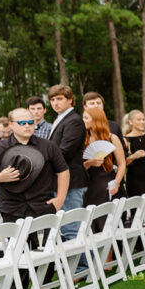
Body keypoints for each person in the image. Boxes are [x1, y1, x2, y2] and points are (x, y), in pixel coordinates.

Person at [0, 108, 69, 221]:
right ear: (11, 125)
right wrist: (0, 177)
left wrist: (60, 199)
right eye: (22, 123)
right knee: (15, 240)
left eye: (30, 122)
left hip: (43, 207)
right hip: (11, 209)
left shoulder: (48, 146)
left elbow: (63, 172)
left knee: (46, 240)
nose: (27, 126)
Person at [46, 84, 87, 242]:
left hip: (72, 181)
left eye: (59, 99)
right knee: (65, 226)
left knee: (71, 227)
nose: (55, 103)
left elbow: (65, 151)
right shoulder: (60, 119)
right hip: (61, 180)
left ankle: (81, 266)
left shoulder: (74, 121)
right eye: (52, 100)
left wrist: (43, 161)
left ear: (70, 100)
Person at [82, 107, 126, 206]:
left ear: (96, 120)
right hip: (85, 185)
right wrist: (89, 163)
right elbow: (78, 167)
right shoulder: (81, 139)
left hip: (106, 183)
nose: (83, 120)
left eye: (86, 118)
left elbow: (122, 163)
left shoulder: (112, 138)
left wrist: (116, 183)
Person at [121, 109, 145, 197]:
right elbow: (122, 163)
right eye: (139, 120)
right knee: (135, 207)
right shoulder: (126, 140)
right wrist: (134, 156)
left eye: (143, 120)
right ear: (130, 122)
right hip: (133, 178)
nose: (142, 122)